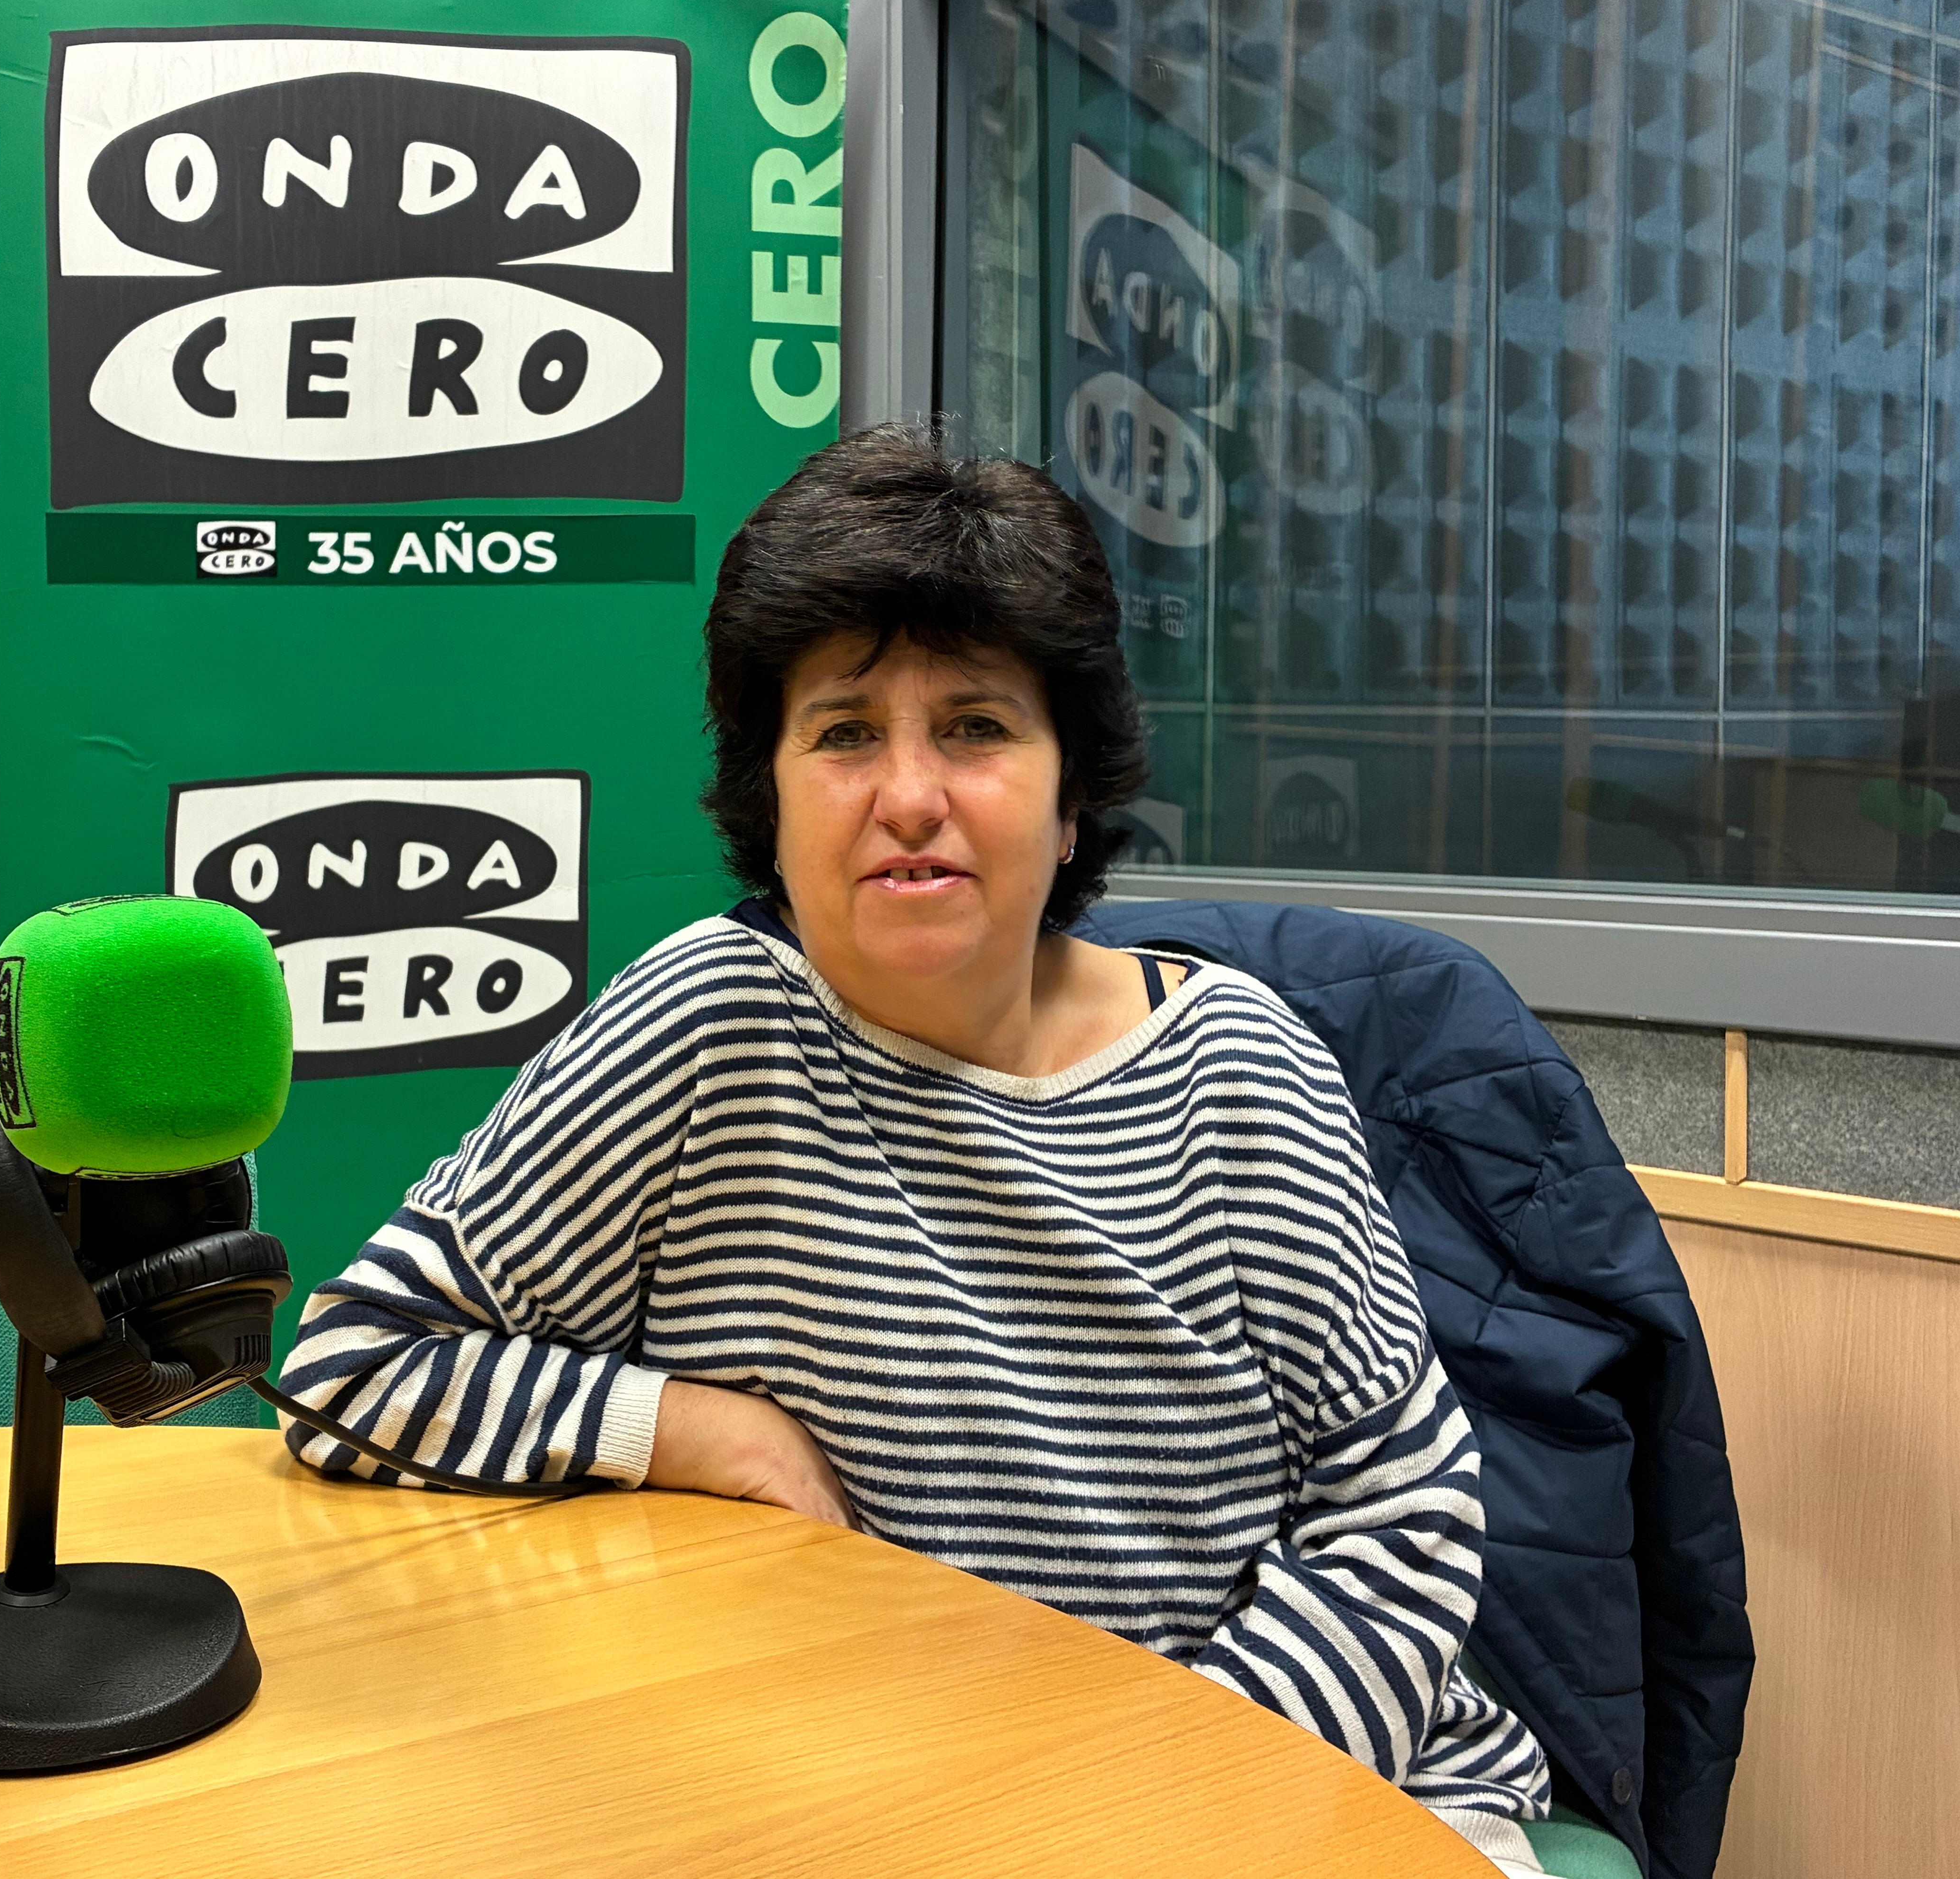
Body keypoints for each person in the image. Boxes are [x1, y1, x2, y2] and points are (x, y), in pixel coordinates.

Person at [274, 427, 1555, 1868]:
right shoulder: (706, 1029)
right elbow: (352, 1367)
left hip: (1299, 1777)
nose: (907, 795)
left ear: (1074, 801)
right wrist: (708, 1430)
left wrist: (1145, 1805)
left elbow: (1402, 1512)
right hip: (877, 1808)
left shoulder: (1238, 1070)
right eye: (842, 732)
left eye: (976, 726)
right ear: (771, 796)